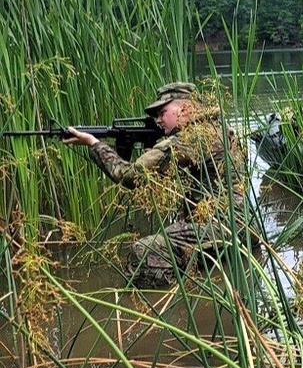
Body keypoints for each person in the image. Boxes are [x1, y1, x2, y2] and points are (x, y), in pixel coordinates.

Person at [62, 82, 246, 288]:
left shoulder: (190, 139)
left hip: (222, 229)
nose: (158, 120)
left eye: (162, 111)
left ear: (187, 108)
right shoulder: (218, 127)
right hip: (243, 227)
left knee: (144, 251)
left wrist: (94, 144)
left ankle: (170, 300)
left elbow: (130, 176)